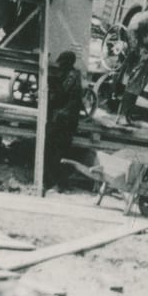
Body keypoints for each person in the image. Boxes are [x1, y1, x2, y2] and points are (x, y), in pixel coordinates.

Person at [40, 50, 87, 192]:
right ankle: (59, 183)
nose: (59, 66)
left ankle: (53, 183)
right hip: (66, 121)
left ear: (67, 64)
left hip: (62, 122)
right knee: (60, 153)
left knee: (54, 152)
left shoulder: (71, 77)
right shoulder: (74, 75)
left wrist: (49, 86)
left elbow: (59, 96)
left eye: (62, 64)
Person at [117, 0, 148, 120]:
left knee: (139, 86)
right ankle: (122, 115)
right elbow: (132, 30)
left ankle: (128, 114)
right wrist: (135, 50)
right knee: (133, 84)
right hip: (143, 54)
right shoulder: (146, 16)